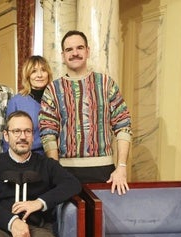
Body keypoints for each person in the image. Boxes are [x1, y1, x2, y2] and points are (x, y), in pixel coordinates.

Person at [39, 30, 133, 195]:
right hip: (65, 171)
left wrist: (122, 167)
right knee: (69, 220)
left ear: (87, 51)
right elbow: (48, 132)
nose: (75, 53)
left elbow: (123, 124)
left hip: (104, 171)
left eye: (79, 48)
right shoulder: (53, 89)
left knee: (102, 220)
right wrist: (55, 172)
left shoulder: (106, 84)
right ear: (63, 55)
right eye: (69, 50)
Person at [4, 55, 53, 154]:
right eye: (34, 71)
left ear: (48, 74)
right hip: (27, 157)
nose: (39, 75)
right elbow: (8, 138)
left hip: (55, 156)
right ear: (27, 75)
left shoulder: (56, 98)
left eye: (43, 70)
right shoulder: (16, 102)